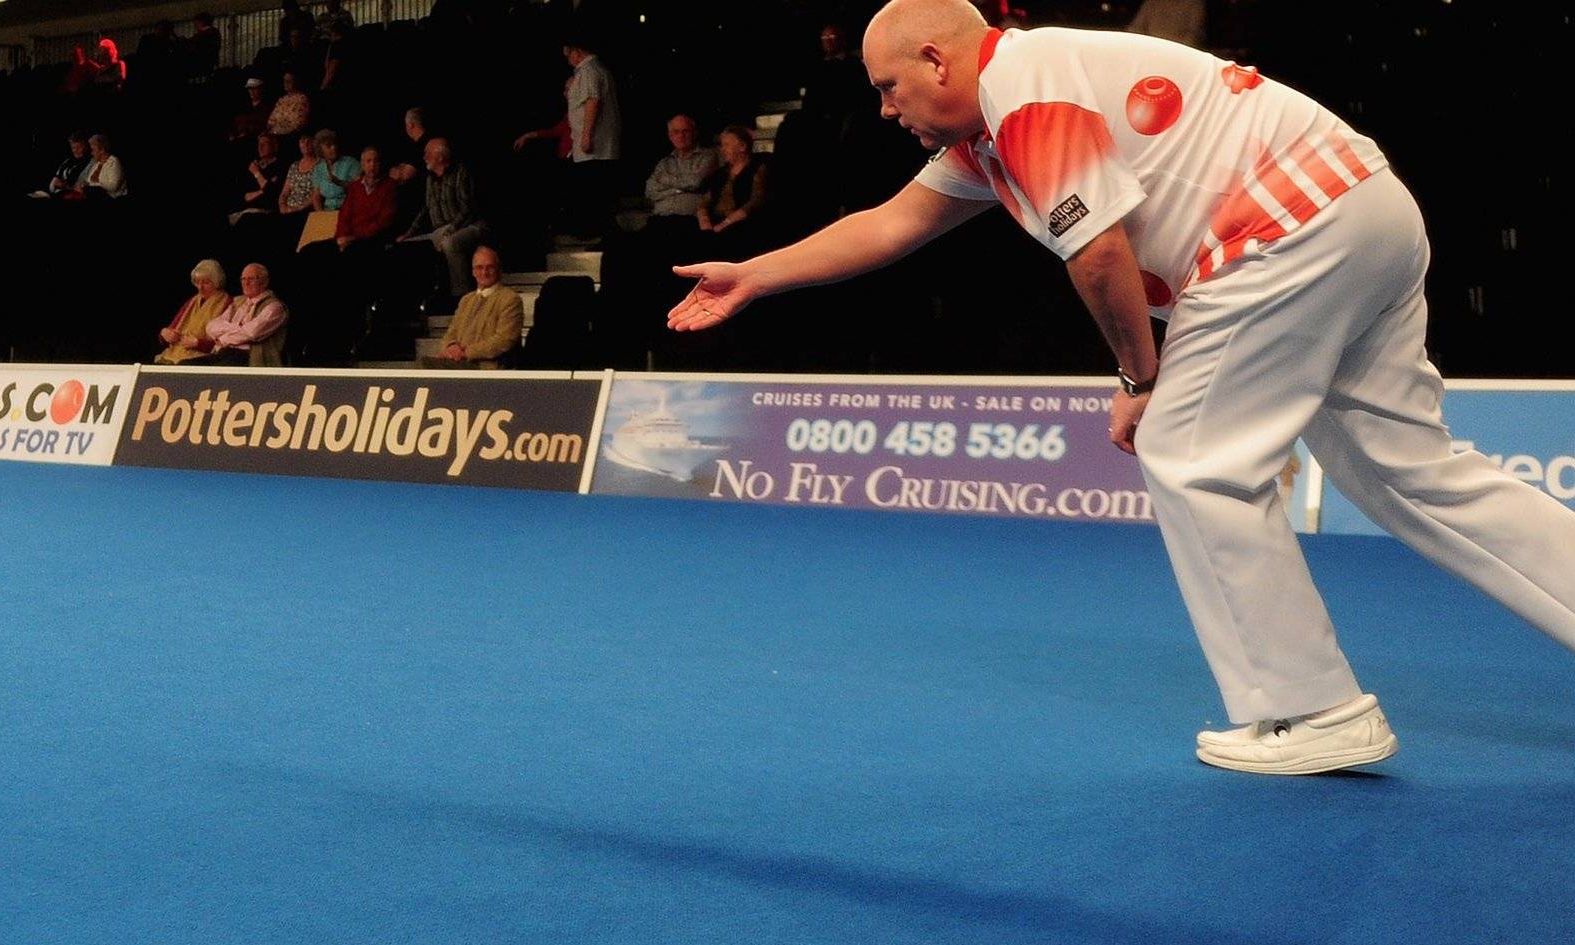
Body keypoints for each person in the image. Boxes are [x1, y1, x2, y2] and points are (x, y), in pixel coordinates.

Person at [667, 0, 1575, 776]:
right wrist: (755, 273)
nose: (882, 108)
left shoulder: (1024, 90)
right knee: (1410, 469)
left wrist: (1144, 378)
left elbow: (1097, 251)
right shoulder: (998, 120)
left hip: (1282, 229)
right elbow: (891, 223)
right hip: (1361, 204)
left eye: (888, 87)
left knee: (1191, 455)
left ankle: (1313, 711)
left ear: (937, 57)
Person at [396, 137, 486, 296]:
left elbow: (467, 210)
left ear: (439, 157)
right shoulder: (430, 179)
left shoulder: (460, 172)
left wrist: (448, 232)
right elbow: (425, 209)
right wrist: (408, 234)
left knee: (450, 243)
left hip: (469, 226)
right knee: (407, 245)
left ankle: (461, 296)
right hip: (441, 230)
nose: (424, 157)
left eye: (427, 153)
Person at [420, 247, 523, 369]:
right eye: (479, 267)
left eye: (490, 267)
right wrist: (450, 347)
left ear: (499, 270)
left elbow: (504, 340)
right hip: (459, 362)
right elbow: (451, 333)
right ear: (473, 272)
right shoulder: (466, 300)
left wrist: (466, 353)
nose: (484, 272)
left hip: (487, 367)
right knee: (424, 366)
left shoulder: (510, 299)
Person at [561, 34, 622, 241]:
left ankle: (599, 234)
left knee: (595, 191)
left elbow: (592, 101)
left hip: (596, 147)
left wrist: (586, 136)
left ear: (577, 51)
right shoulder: (589, 71)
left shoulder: (589, 70)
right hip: (596, 146)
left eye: (569, 54)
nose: (568, 59)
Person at [194, 263, 290, 365]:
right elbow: (211, 327)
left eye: (252, 279)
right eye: (243, 279)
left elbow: (251, 333)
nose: (246, 283)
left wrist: (224, 338)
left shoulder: (274, 307)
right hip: (222, 352)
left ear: (265, 282)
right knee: (187, 364)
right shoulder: (238, 302)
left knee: (216, 373)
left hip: (249, 358)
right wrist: (239, 328)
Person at [695, 125, 769, 253]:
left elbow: (756, 201)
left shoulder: (757, 168)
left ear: (742, 146)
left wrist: (725, 223)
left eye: (727, 145)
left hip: (741, 225)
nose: (722, 150)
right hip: (714, 223)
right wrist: (704, 221)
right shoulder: (720, 173)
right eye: (722, 145)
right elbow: (705, 201)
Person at [644, 115, 718, 228]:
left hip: (689, 219)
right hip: (660, 217)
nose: (681, 136)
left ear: (694, 133)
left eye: (685, 131)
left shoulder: (707, 156)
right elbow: (650, 190)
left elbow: (695, 183)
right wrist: (679, 190)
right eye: (676, 132)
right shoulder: (664, 163)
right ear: (670, 136)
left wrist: (665, 182)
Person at [155, 259, 232, 364]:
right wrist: (164, 333)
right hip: (173, 355)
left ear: (217, 282)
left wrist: (198, 344)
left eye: (206, 282)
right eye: (197, 282)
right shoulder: (192, 301)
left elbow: (226, 343)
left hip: (201, 359)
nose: (200, 287)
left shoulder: (227, 303)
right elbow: (170, 330)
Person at [310, 129, 360, 210]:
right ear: (321, 150)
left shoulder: (351, 163)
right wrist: (320, 214)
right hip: (327, 211)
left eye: (334, 144)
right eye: (329, 146)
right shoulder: (318, 169)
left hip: (348, 208)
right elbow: (316, 197)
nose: (334, 148)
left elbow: (359, 188)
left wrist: (339, 182)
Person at [75, 134, 127, 199]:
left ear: (102, 150)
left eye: (93, 150)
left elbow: (113, 186)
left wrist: (92, 185)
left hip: (111, 197)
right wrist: (83, 185)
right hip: (95, 196)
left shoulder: (114, 162)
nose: (91, 153)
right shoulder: (97, 163)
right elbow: (89, 181)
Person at [38, 132, 91, 197]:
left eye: (78, 147)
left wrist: (65, 186)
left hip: (71, 195)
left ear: (85, 146)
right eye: (73, 148)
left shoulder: (89, 162)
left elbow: (80, 187)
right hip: (55, 193)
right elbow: (54, 182)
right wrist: (54, 186)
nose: (75, 150)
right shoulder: (68, 161)